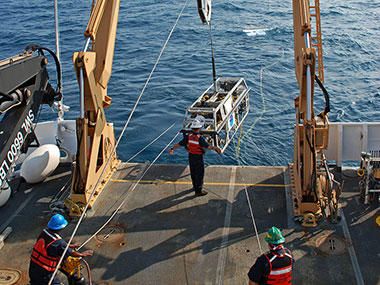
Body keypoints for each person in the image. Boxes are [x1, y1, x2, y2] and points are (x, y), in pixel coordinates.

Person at [29, 214, 93, 285]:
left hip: (33, 267)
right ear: (60, 228)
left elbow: (53, 245)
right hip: (45, 273)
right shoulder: (59, 243)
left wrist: (69, 246)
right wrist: (82, 254)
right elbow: (70, 252)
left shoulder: (44, 233)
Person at [169, 115, 221, 196]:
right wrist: (216, 148)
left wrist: (172, 148)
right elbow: (208, 147)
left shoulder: (188, 136)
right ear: (199, 128)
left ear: (192, 128)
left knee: (193, 172)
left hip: (191, 157)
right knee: (199, 174)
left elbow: (180, 144)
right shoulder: (200, 138)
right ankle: (198, 191)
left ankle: (194, 186)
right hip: (198, 158)